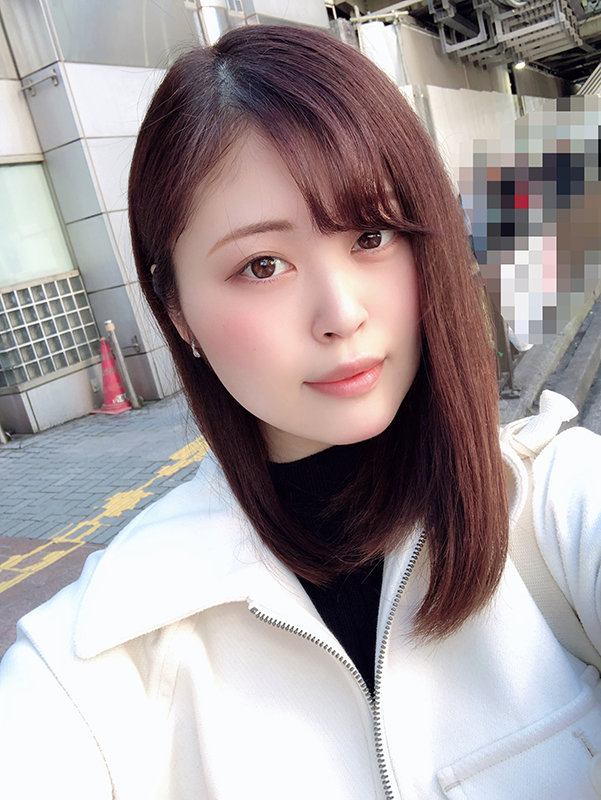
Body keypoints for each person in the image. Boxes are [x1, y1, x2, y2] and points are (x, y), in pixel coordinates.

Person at [1, 24, 601, 800]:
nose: (340, 313)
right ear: (177, 311)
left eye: (371, 235)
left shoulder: (551, 504)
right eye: (262, 265)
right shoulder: (110, 648)